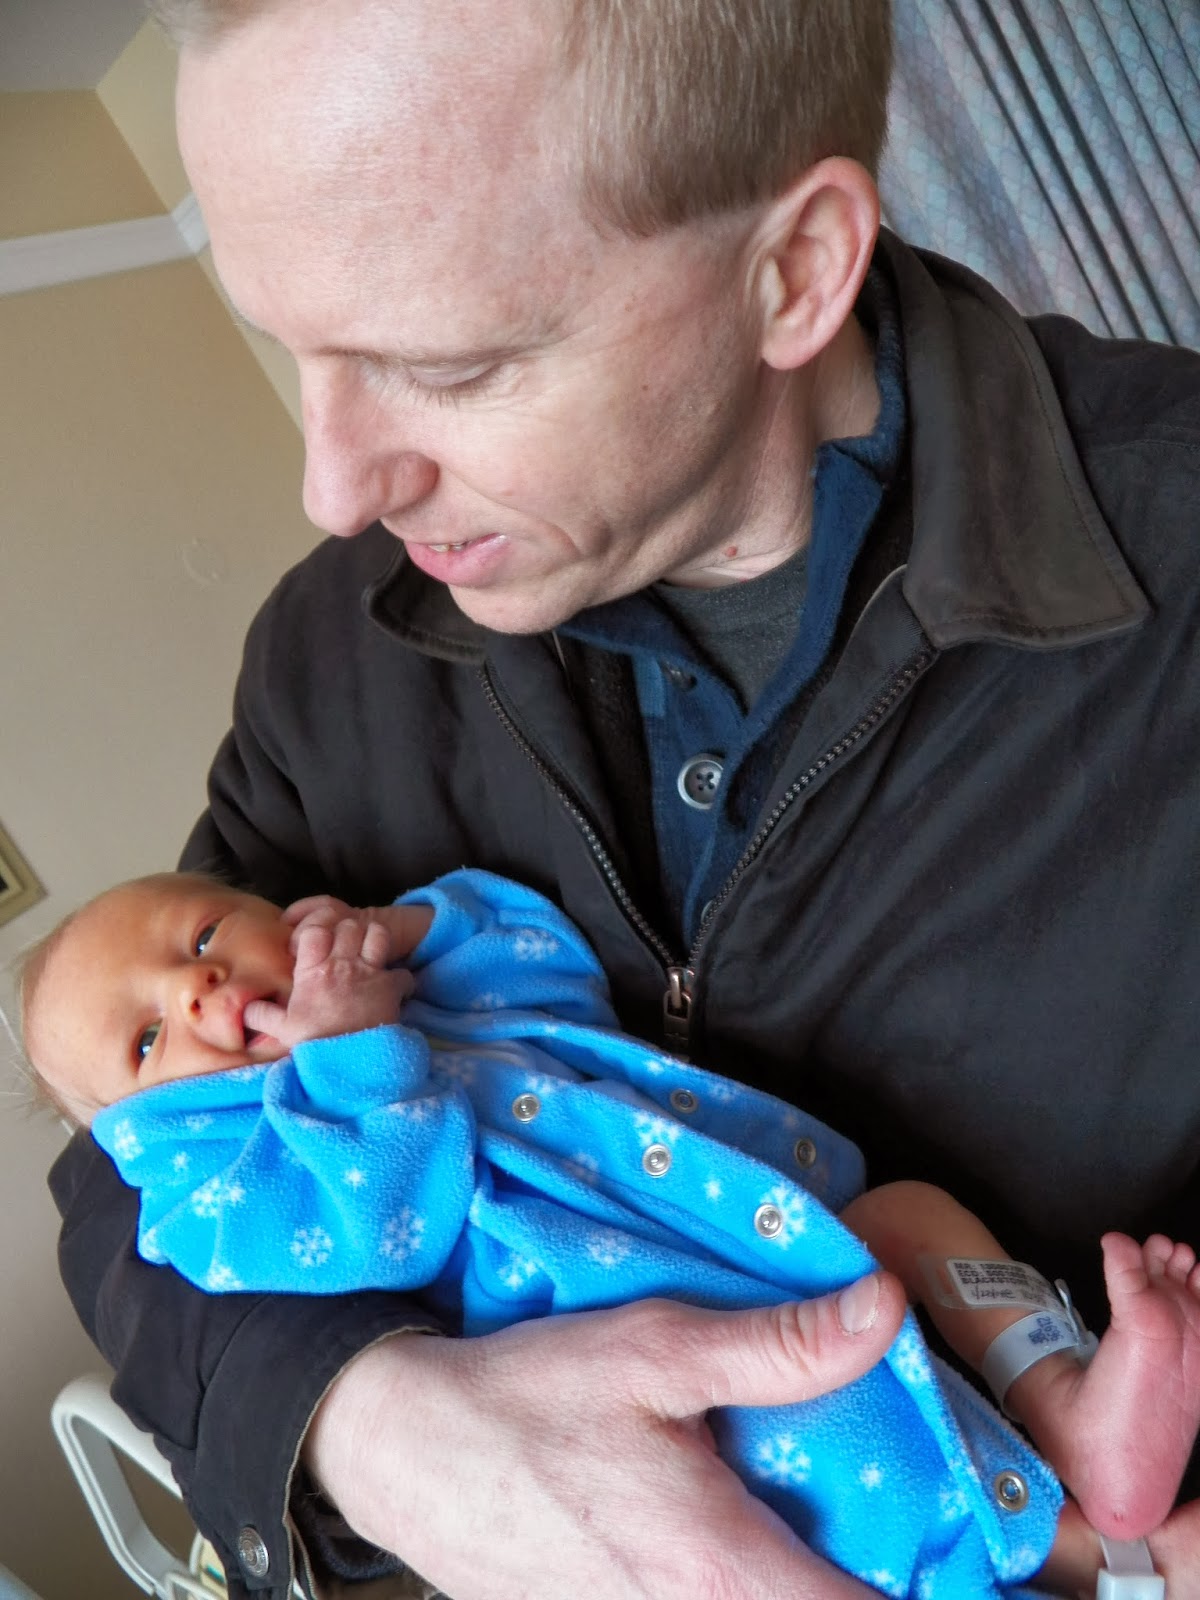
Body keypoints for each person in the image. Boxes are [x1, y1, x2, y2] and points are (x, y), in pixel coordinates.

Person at [45, 0, 1200, 1597]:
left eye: (443, 364)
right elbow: (125, 1164)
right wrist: (378, 1428)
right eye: (296, 348)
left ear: (793, 270)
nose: (334, 486)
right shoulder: (324, 656)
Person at [24, 867, 1200, 1595]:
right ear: (141, 1134)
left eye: (202, 935)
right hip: (693, 1361)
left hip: (802, 1232)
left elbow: (543, 958)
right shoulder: (225, 1185)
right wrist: (348, 1059)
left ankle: (1077, 1413)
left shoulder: (419, 991)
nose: (195, 987)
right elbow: (383, 1225)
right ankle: (1097, 1564)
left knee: (916, 1215)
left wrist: (404, 927)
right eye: (146, 1039)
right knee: (864, 1463)